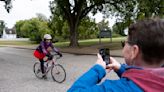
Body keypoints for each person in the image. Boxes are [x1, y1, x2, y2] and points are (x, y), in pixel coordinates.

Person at [67, 18, 164, 92]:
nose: (123, 46)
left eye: (124, 43)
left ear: (134, 51)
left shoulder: (118, 89)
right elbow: (145, 79)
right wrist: (121, 69)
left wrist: (98, 69)